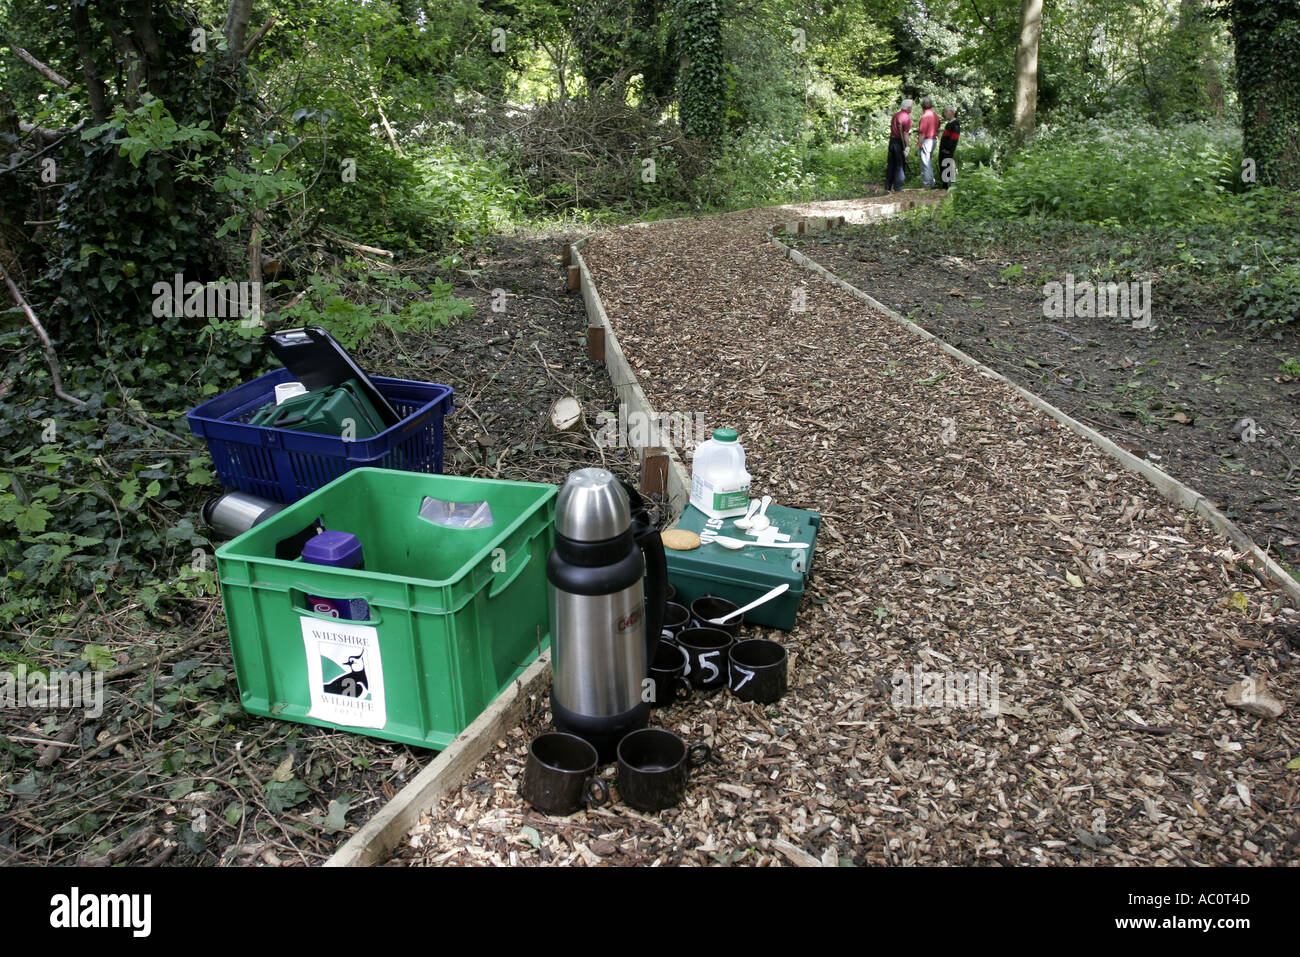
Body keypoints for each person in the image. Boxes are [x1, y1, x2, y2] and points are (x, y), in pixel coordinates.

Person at [885, 99, 913, 192]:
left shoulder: (896, 115)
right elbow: (905, 133)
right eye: (911, 107)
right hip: (899, 142)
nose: (911, 108)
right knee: (900, 164)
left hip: (892, 141)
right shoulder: (907, 117)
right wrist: (907, 146)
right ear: (908, 107)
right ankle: (898, 186)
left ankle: (888, 186)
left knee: (891, 164)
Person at [918, 97, 939, 188]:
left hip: (927, 140)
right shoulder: (935, 115)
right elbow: (938, 126)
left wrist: (919, 144)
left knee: (925, 163)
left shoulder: (925, 116)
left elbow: (922, 132)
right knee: (929, 161)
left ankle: (927, 184)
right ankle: (931, 181)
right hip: (934, 140)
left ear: (923, 106)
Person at [937, 106, 960, 190]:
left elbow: (953, 139)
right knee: (943, 170)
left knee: (947, 170)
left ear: (952, 113)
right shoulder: (949, 124)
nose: (945, 114)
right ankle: (945, 189)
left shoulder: (955, 124)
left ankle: (948, 190)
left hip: (947, 152)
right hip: (944, 151)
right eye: (945, 112)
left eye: (947, 112)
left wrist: (947, 149)